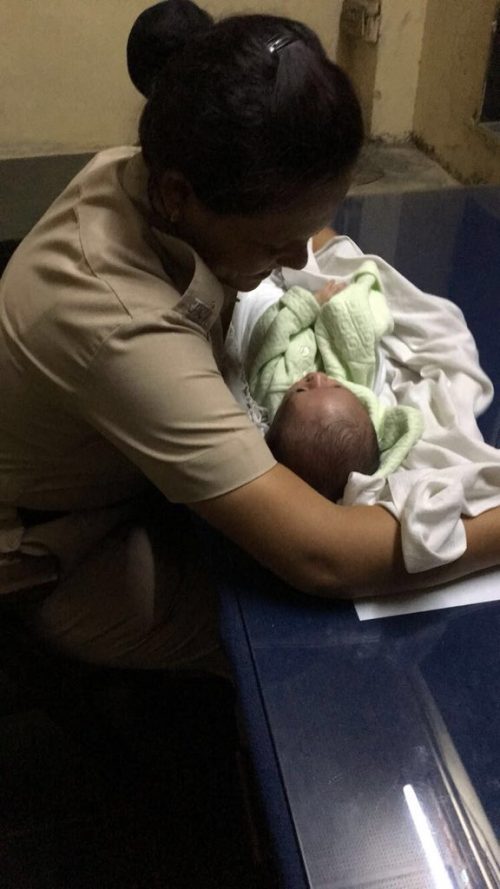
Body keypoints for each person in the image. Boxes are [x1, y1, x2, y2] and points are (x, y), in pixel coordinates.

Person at [2, 1, 500, 676]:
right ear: (180, 196)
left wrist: (332, 271)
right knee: (319, 639)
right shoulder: (120, 318)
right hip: (60, 548)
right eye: (273, 243)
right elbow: (321, 554)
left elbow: (302, 234)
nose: (298, 259)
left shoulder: (165, 163)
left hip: (125, 481)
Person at [246, 267, 424, 502]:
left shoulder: (270, 388)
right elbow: (366, 364)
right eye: (338, 387)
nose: (318, 378)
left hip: (274, 303)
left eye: (300, 390)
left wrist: (311, 303)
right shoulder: (362, 392)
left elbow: (271, 336)